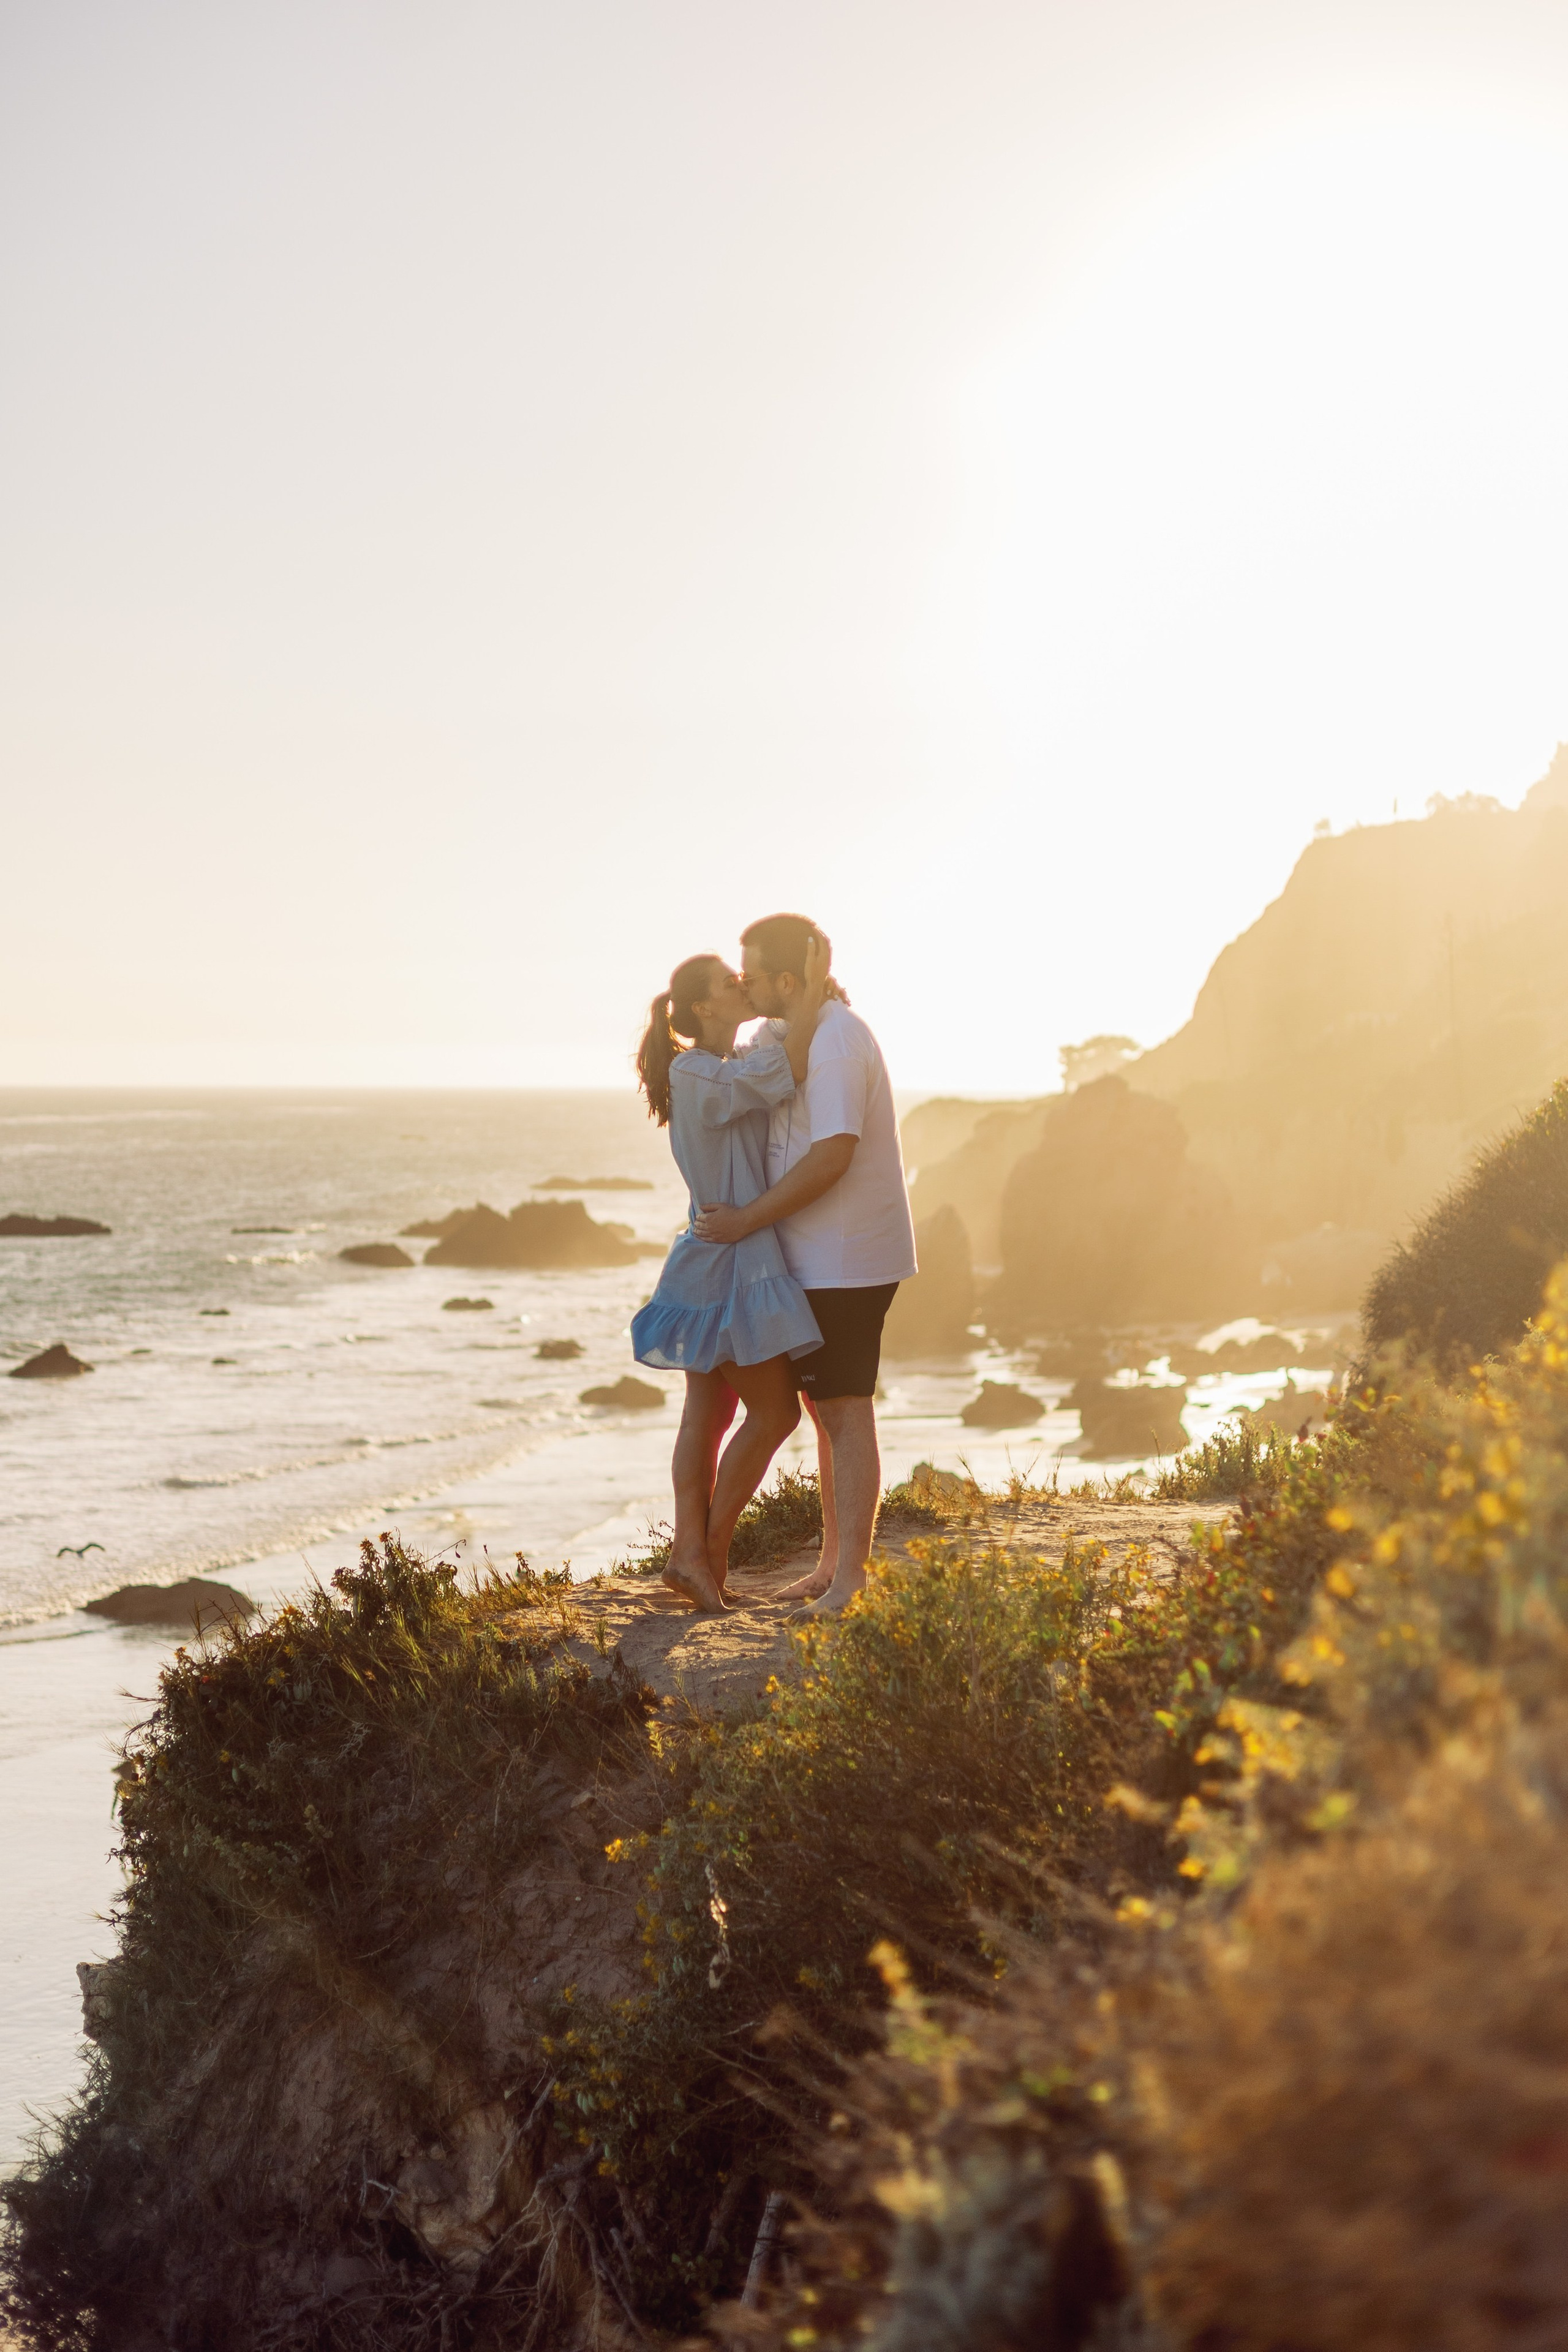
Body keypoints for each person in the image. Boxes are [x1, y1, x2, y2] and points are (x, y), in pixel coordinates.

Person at [694, 913, 916, 1614]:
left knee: (845, 1412)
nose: (743, 983)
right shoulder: (784, 1034)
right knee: (825, 1415)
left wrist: (746, 1221)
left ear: (788, 980)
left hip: (847, 1261)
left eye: (753, 974)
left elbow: (832, 1156)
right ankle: (829, 1566)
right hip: (810, 1259)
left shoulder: (840, 1041)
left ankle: (851, 1580)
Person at [630, 938, 831, 1613]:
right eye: (727, 982)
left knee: (710, 1412)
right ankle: (703, 1555)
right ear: (701, 1009)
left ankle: (692, 1556)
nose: (741, 983)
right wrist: (813, 987)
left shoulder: (716, 1066)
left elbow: (768, 1067)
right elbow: (789, 1068)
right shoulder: (697, 1073)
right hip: (728, 1261)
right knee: (775, 1413)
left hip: (714, 1257)